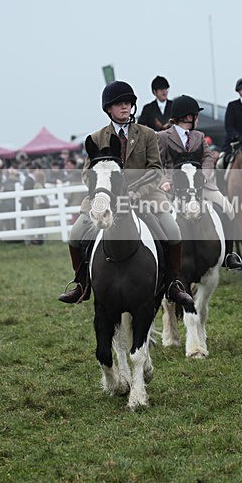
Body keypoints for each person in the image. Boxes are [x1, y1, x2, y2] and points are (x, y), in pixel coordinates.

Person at [58, 81, 195, 312]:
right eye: (119, 103)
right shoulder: (96, 138)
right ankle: (81, 283)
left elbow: (155, 170)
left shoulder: (147, 134)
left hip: (144, 195)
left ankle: (172, 283)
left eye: (128, 103)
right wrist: (103, 193)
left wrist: (136, 192)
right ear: (108, 109)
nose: (125, 107)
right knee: (75, 235)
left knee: (172, 231)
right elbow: (87, 173)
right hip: (104, 197)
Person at [157, 94, 242, 270]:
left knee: (228, 208)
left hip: (199, 184)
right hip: (173, 187)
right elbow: (157, 163)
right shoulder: (163, 137)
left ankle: (228, 254)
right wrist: (164, 180)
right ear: (187, 117)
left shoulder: (199, 136)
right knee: (158, 215)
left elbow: (207, 158)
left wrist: (204, 175)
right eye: (196, 115)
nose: (197, 118)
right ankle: (160, 257)